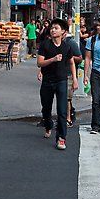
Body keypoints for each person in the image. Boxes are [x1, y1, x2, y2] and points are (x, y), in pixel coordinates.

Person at [37, 18, 78, 150]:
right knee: (46, 109)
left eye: (56, 28)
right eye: (52, 28)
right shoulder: (45, 45)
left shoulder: (67, 47)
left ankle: (61, 138)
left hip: (62, 81)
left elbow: (71, 62)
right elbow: (40, 63)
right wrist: (53, 59)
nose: (53, 30)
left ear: (63, 32)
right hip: (48, 81)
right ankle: (48, 125)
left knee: (62, 110)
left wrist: (75, 79)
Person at [64, 32, 83, 127]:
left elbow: (80, 58)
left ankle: (68, 119)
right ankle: (68, 114)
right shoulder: (53, 42)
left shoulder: (71, 43)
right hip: (57, 74)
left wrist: (68, 57)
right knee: (62, 98)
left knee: (66, 98)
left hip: (69, 74)